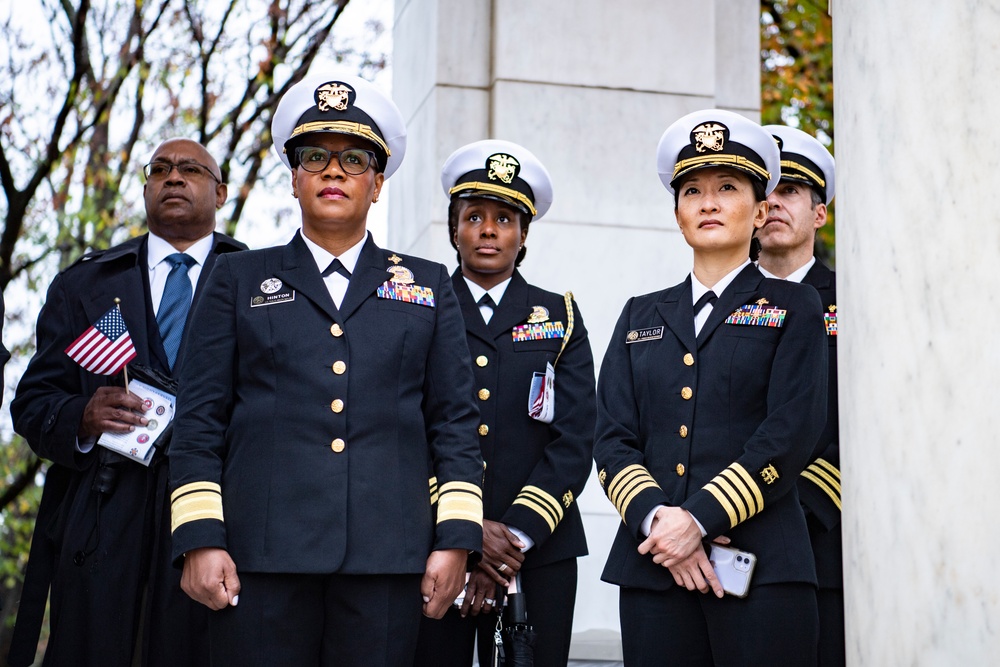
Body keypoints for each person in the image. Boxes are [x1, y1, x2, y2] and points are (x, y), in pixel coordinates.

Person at [168, 72, 485, 667]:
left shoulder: (428, 284)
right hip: (257, 562)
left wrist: (457, 541)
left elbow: (455, 425)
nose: (334, 171)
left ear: (377, 183)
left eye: (355, 160)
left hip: (388, 562)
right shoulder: (235, 280)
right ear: (293, 179)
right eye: (316, 157)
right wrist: (200, 537)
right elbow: (199, 421)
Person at [592, 109, 829, 666]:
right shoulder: (639, 315)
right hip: (652, 571)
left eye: (728, 187)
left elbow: (790, 432)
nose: (709, 202)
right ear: (677, 214)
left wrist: (697, 519)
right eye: (692, 190)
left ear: (760, 207)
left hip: (763, 570)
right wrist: (660, 522)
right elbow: (611, 437)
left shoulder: (797, 306)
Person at [7, 138, 246, 667]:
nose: (174, 177)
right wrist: (82, 417)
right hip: (102, 511)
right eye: (159, 169)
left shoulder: (259, 283)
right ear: (146, 188)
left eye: (190, 169)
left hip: (215, 516)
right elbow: (32, 402)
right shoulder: (85, 284)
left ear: (221, 191)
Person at [413, 140, 596, 666]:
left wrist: (511, 540)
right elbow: (407, 430)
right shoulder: (418, 311)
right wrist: (466, 534)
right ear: (454, 231)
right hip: (435, 546)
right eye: (474, 216)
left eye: (505, 218)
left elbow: (574, 439)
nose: (488, 229)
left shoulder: (559, 318)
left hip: (538, 553)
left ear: (523, 235)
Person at [758, 123, 842, 667]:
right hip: (717, 547)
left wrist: (782, 511)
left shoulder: (858, 302)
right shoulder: (712, 304)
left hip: (821, 543)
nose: (774, 204)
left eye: (790, 191)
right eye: (764, 192)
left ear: (819, 213)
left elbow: (853, 427)